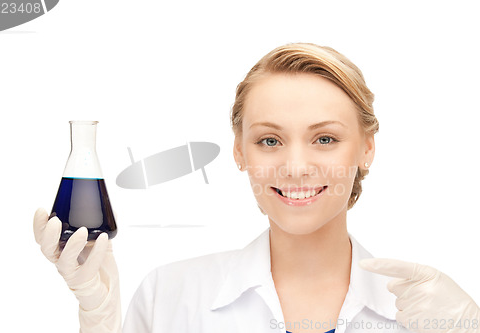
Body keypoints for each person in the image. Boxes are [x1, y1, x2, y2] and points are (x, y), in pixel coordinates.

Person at [33, 43, 479, 333]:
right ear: (240, 152)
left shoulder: (429, 313)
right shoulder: (171, 296)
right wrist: (98, 319)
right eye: (270, 140)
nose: (296, 167)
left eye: (325, 139)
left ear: (366, 149)